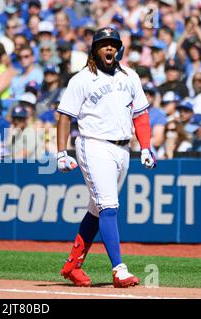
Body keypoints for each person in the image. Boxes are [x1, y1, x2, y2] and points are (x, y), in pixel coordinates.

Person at [56, 27, 156, 288]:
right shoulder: (81, 79)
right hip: (94, 144)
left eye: (113, 44)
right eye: (103, 44)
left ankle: (72, 265)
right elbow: (65, 115)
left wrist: (145, 147)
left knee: (97, 210)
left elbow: (141, 115)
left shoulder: (130, 76)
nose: (109, 48)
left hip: (123, 149)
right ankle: (119, 270)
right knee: (109, 207)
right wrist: (60, 153)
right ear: (95, 50)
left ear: (119, 48)